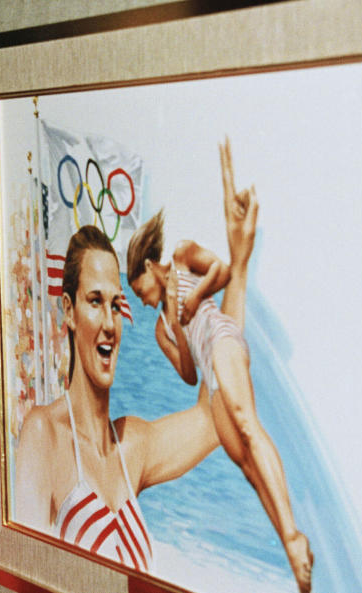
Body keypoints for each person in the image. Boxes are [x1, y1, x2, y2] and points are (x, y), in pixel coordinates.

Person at [13, 144, 258, 574]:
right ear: (68, 311)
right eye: (94, 301)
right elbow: (24, 577)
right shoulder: (43, 435)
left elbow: (216, 414)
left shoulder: (133, 447)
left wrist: (238, 267)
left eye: (116, 304)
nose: (109, 322)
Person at [125, 140, 313, 592]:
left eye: (142, 288)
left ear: (152, 265)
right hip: (208, 366)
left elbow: (223, 273)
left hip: (223, 338)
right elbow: (189, 373)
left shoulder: (184, 256)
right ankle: (294, 551)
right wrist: (175, 324)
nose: (142, 298)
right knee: (244, 463)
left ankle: (292, 535)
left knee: (248, 425)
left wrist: (189, 298)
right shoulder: (159, 327)